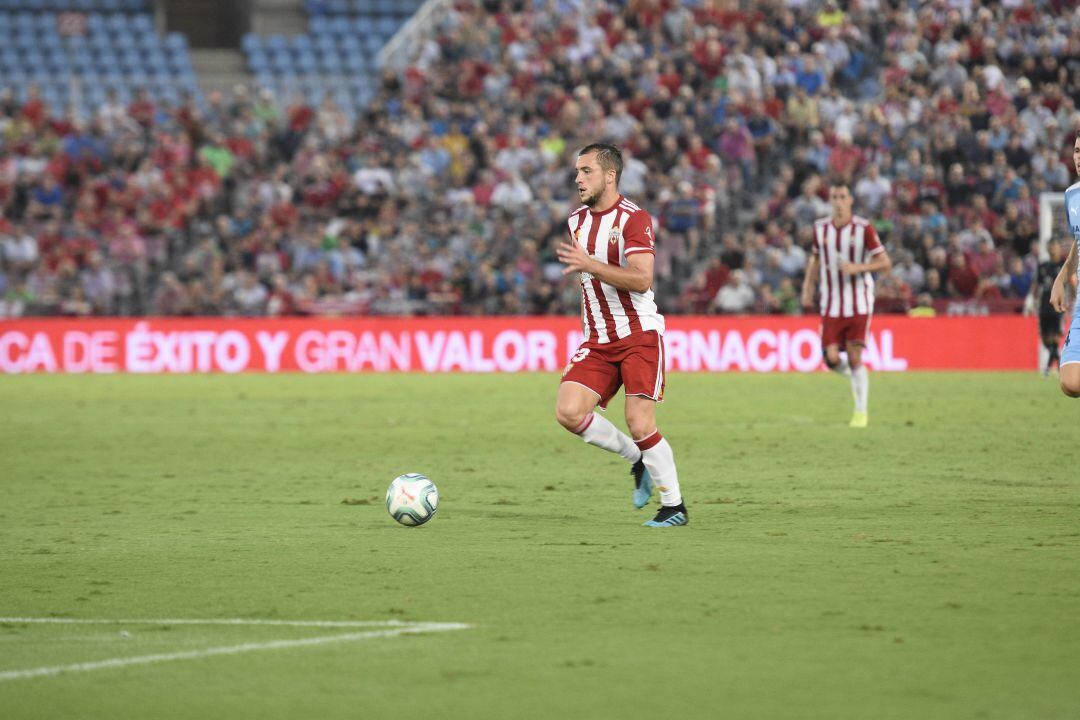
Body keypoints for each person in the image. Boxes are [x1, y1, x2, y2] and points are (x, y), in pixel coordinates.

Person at [554, 143, 687, 527]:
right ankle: (636, 459)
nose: (578, 178)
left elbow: (642, 279)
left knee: (641, 421)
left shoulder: (634, 218)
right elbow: (586, 284)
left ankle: (675, 506)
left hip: (638, 334)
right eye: (577, 172)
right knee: (568, 410)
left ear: (610, 176)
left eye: (586, 171)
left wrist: (590, 265)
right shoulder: (576, 221)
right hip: (598, 338)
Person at [800, 178, 892, 427]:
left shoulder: (864, 229)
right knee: (830, 359)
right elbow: (815, 261)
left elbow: (885, 263)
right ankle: (858, 377)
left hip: (859, 302)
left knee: (853, 357)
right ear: (829, 201)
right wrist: (807, 287)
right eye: (835, 198)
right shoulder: (821, 229)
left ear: (851, 200)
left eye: (843, 197)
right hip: (831, 303)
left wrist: (858, 268)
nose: (839, 202)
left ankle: (860, 412)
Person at [1050, 132, 1080, 397]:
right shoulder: (1073, 196)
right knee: (1070, 383)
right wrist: (1061, 278)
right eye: (1078, 151)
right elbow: (1079, 244)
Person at [1030, 239, 1065, 376]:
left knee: (1055, 338)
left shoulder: (1064, 266)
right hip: (1044, 305)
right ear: (1047, 249)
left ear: (1059, 248)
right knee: (1045, 340)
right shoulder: (1042, 266)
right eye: (1050, 247)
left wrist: (1073, 299)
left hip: (1058, 305)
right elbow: (1036, 285)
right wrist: (1031, 299)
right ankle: (1056, 364)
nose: (1053, 249)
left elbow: (1073, 282)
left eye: (1055, 247)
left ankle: (1048, 369)